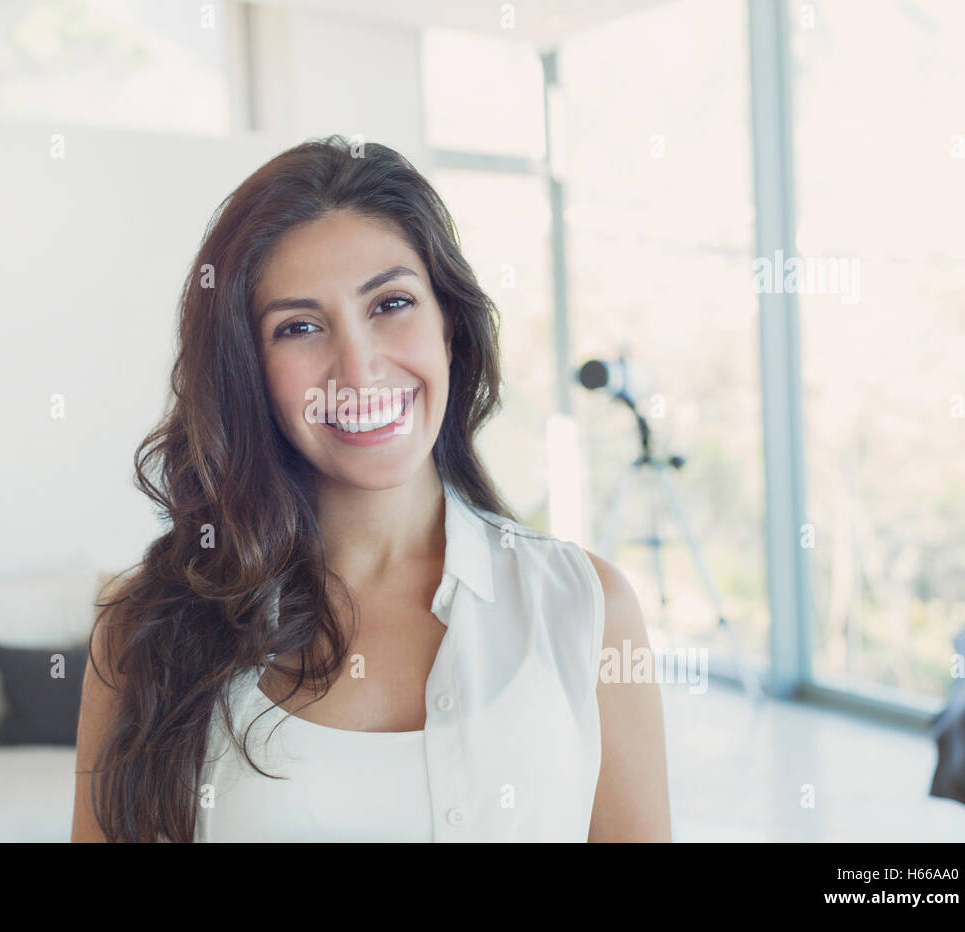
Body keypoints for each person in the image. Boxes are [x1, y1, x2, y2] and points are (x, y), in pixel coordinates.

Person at [71, 135, 670, 842]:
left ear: (449, 327)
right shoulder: (142, 631)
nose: (358, 370)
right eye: (299, 326)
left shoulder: (587, 610)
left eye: (390, 304)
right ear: (249, 371)